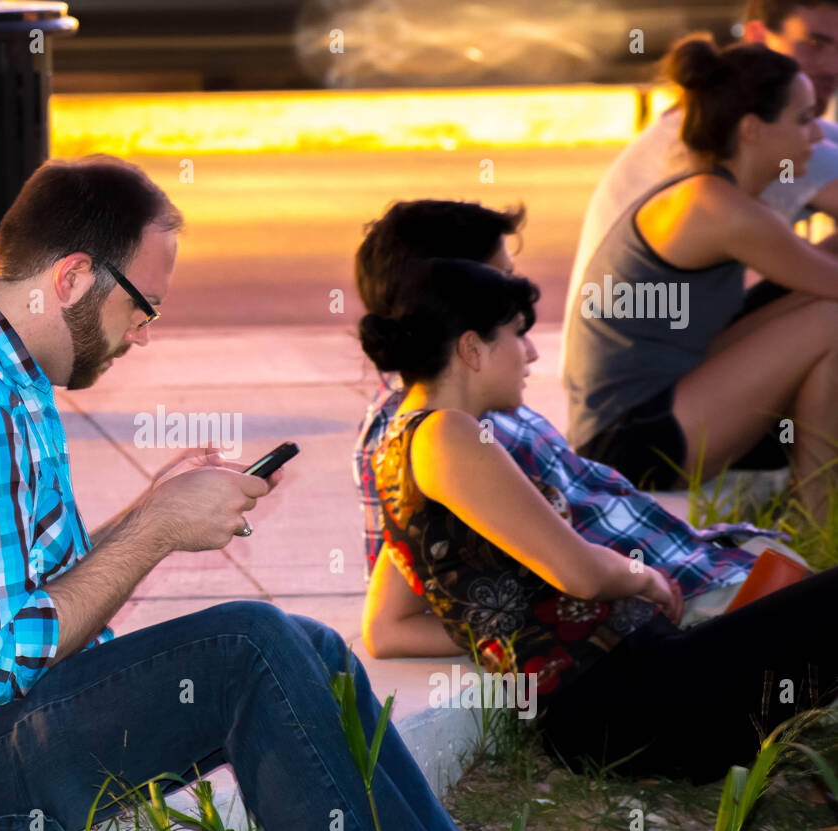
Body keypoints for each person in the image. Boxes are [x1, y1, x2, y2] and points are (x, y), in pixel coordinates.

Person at [0, 155, 480, 831]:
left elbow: (27, 590)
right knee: (248, 644)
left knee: (316, 649)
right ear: (73, 278)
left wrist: (149, 505)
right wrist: (156, 530)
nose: (143, 332)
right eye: (142, 306)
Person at [359, 256, 838, 783]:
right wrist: (645, 577)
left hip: (623, 695)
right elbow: (580, 572)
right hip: (629, 698)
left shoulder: (404, 447)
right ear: (472, 349)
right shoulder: (447, 434)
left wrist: (508, 631)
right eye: (518, 334)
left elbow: (392, 627)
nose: (533, 352)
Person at [353, 200, 786, 637]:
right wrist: (619, 602)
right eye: (502, 282)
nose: (532, 348)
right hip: (683, 606)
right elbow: (400, 618)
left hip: (699, 570)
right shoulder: (437, 431)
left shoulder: (471, 408)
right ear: (452, 296)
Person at [565, 36, 838, 515]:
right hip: (628, 441)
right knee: (831, 320)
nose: (817, 136)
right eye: (802, 119)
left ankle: (813, 505)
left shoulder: (721, 194)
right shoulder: (716, 208)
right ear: (752, 129)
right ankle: (818, 516)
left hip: (675, 394)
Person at [565, 0, 838, 331]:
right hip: (655, 372)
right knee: (827, 318)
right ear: (757, 36)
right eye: (813, 44)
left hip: (665, 347)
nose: (833, 65)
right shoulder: (763, 149)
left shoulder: (731, 125)